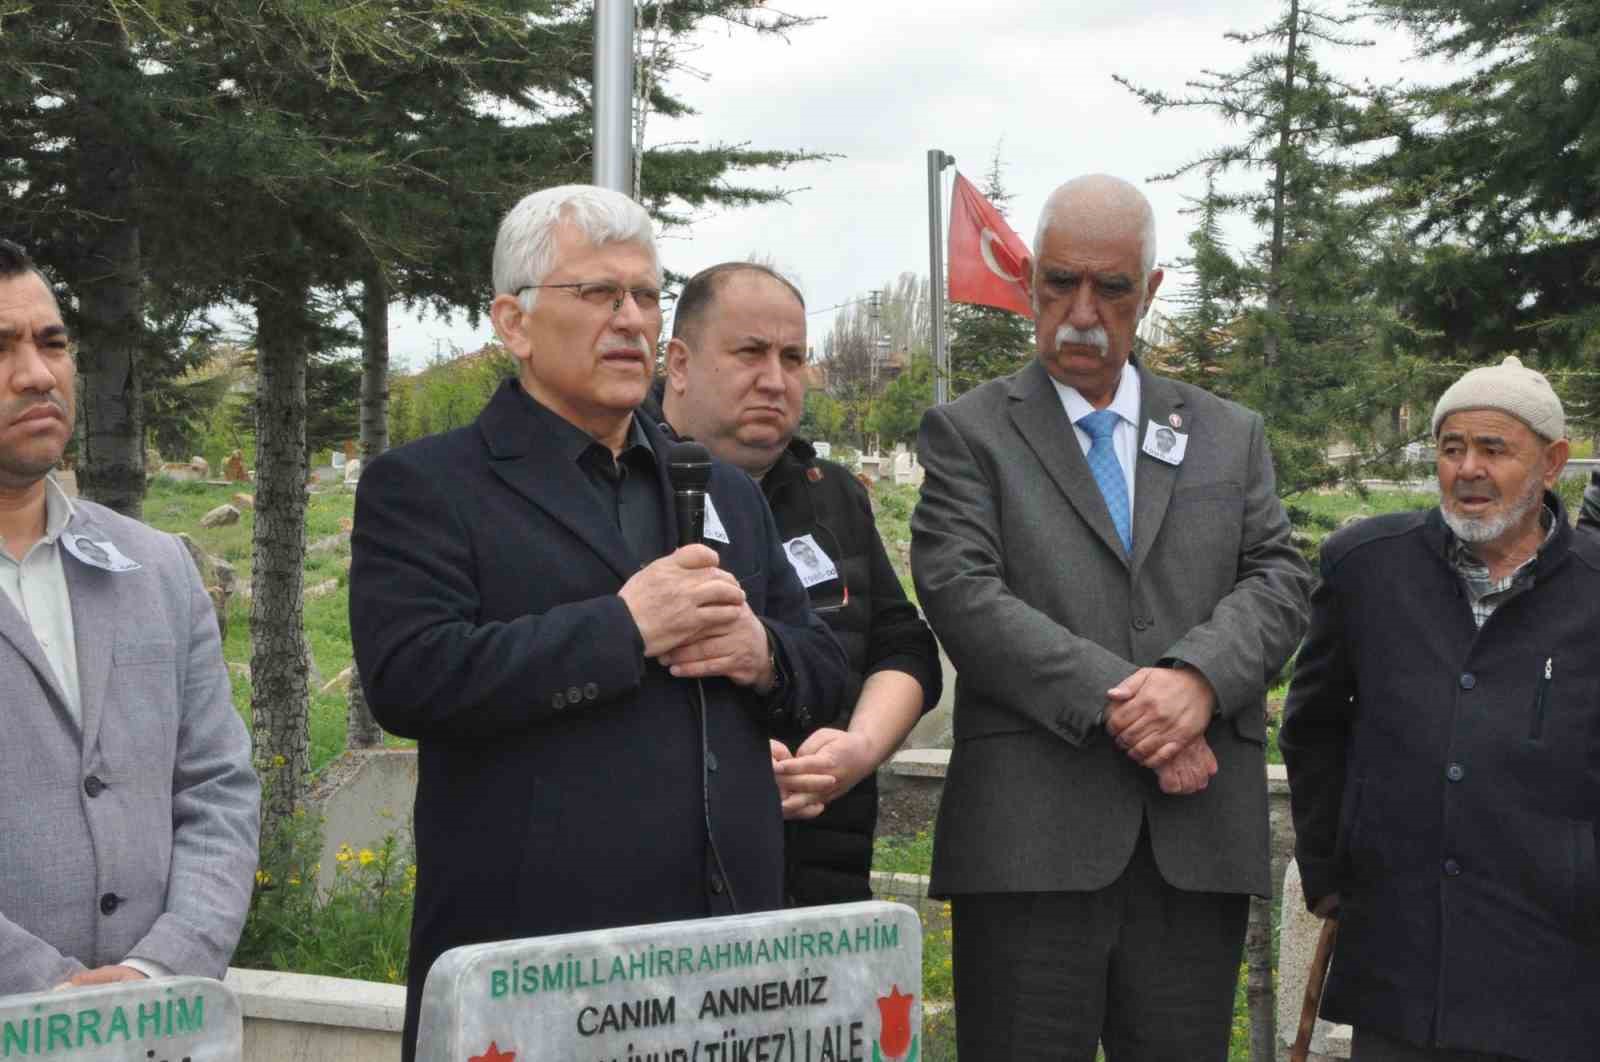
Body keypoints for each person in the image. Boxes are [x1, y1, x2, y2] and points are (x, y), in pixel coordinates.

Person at [348, 189, 850, 1060]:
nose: (631, 320)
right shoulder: (429, 486)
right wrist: (625, 629)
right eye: (597, 294)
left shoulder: (717, 488)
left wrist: (762, 653)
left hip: (723, 969)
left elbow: (821, 667)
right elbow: (413, 676)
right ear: (514, 322)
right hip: (537, 973)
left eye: (647, 297)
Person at [909, 174, 1312, 1060]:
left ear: (1152, 291)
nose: (1082, 311)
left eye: (1112, 287)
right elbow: (963, 596)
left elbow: (1280, 578)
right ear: (1029, 284)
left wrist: (1199, 681)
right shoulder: (969, 433)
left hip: (1192, 849)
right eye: (1060, 283)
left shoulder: (1227, 434)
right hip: (1028, 851)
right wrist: (1141, 702)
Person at [1280, 357, 1599, 1062]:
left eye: (1493, 449)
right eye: (1451, 449)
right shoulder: (1367, 566)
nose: (1468, 469)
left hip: (1557, 969)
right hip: (1401, 958)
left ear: (1552, 463)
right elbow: (1313, 726)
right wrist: (1331, 871)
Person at [0, 239, 259, 995]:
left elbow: (218, 787)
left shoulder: (157, 570)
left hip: (154, 1026)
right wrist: (49, 992)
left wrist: (158, 969)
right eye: (2, 348)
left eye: (52, 343)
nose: (37, 374)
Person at [649, 261, 942, 905]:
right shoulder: (622, 486)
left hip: (824, 874)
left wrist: (858, 750)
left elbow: (901, 644)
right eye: (750, 353)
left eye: (793, 357)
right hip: (668, 891)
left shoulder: (830, 495)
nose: (775, 381)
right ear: (677, 363)